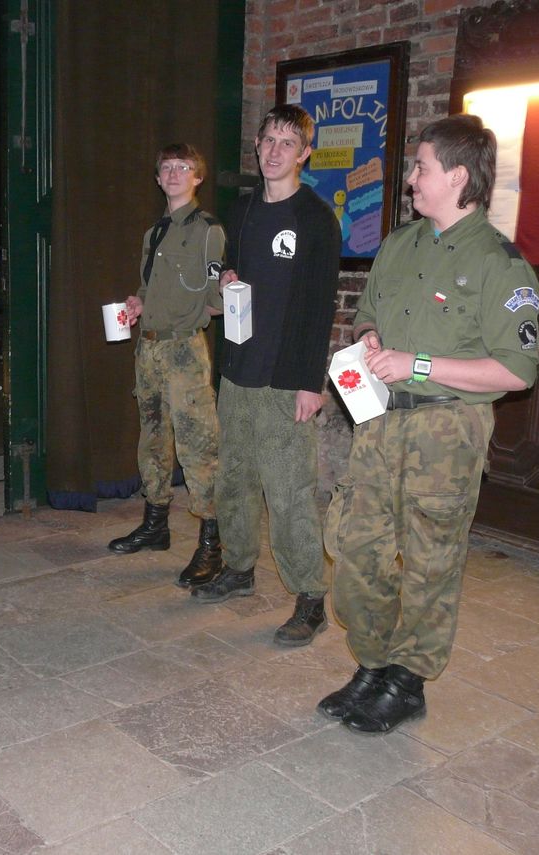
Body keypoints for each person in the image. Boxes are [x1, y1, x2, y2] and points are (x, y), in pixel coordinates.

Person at [320, 114, 539, 734]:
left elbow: (516, 371)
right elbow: (368, 310)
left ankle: (407, 680)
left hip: (447, 432)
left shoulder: (500, 265)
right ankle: (372, 662)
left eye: (420, 167)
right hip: (380, 422)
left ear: (458, 176)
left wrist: (415, 363)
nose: (411, 179)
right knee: (357, 548)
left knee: (429, 560)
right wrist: (368, 338)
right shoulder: (400, 244)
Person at [191, 106, 342, 649]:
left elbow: (320, 307)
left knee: (288, 490)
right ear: (256, 146)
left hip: (285, 379)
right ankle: (238, 568)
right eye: (268, 141)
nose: (275, 151)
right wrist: (229, 274)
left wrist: (309, 382)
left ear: (304, 153)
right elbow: (232, 271)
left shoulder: (316, 218)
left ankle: (309, 597)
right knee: (233, 478)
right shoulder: (245, 208)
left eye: (288, 143)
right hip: (239, 369)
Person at [107, 143, 227, 588]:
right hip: (150, 348)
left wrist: (226, 294)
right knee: (153, 438)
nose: (174, 174)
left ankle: (213, 542)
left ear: (198, 177)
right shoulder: (154, 232)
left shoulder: (208, 230)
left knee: (198, 446)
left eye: (184, 168)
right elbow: (148, 285)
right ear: (157, 178)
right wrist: (138, 302)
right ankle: (156, 524)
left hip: (183, 350)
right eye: (167, 168)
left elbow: (216, 299)